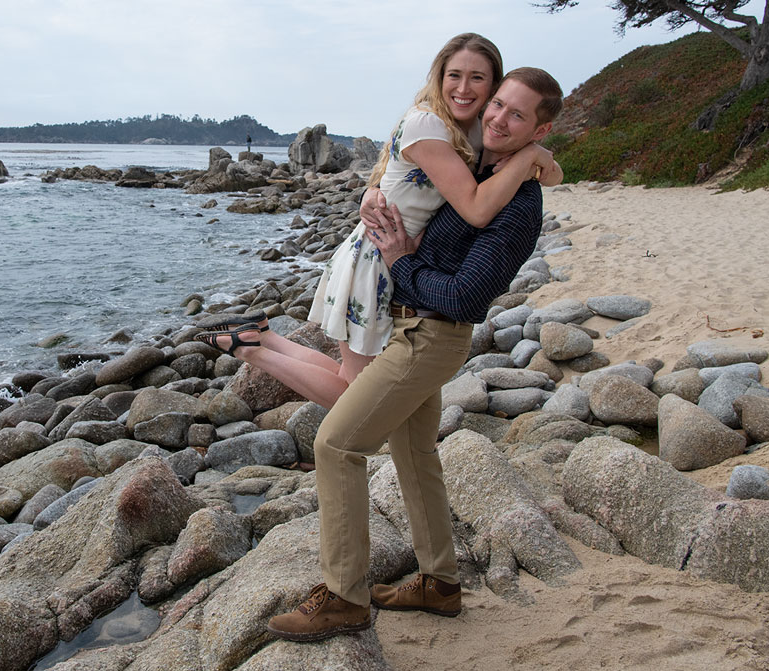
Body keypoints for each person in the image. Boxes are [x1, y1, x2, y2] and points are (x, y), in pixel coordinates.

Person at [264, 66, 565, 642]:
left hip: (432, 335)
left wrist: (402, 261)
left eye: (516, 114)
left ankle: (345, 597)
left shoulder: (519, 204)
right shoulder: (480, 167)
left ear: (539, 126)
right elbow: (417, 181)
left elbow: (466, 296)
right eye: (496, 105)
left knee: (335, 446)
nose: (498, 118)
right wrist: (376, 191)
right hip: (406, 328)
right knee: (414, 453)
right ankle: (440, 582)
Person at [195, 34, 559, 410]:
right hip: (378, 258)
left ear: (494, 85)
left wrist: (537, 153)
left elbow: (553, 175)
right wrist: (528, 154)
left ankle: (263, 338)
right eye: (455, 75)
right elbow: (477, 209)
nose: (464, 88)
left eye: (478, 78)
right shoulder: (428, 125)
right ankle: (251, 349)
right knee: (358, 396)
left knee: (351, 378)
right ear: (440, 76)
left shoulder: (477, 126)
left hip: (390, 255)